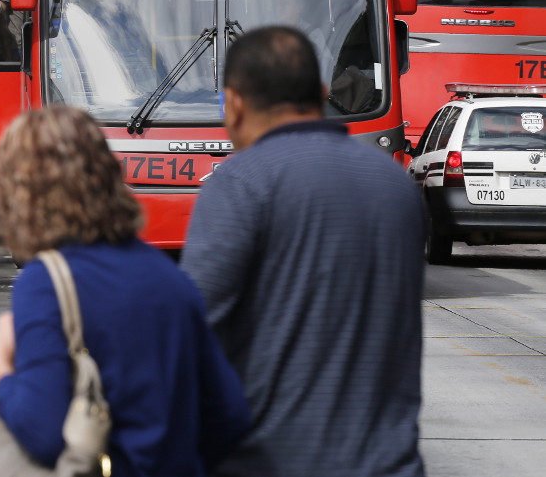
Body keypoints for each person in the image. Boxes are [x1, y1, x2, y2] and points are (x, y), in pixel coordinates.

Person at [180, 26, 425, 477]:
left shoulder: (240, 183)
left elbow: (191, 339)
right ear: (322, 93)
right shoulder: (396, 188)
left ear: (232, 104)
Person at [0, 105, 251, 476]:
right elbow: (229, 415)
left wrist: (0, 366)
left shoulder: (44, 283)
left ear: (20, 192)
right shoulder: (169, 276)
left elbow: (44, 434)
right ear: (107, 176)